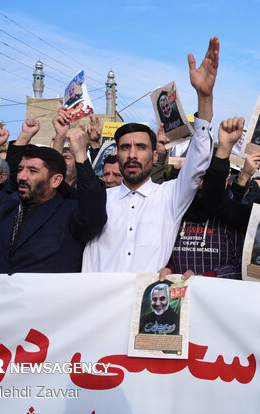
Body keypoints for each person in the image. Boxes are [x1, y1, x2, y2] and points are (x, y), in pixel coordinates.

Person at [82, 37, 219, 273]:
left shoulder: (170, 197)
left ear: (155, 155)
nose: (132, 154)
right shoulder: (101, 201)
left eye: (141, 147)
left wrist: (204, 97)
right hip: (101, 305)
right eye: (125, 147)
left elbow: (197, 162)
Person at [0, 125, 107, 273]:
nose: (22, 176)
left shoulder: (70, 214)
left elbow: (93, 211)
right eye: (21, 169)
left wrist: (81, 155)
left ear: (56, 180)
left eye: (33, 171)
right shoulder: (5, 211)